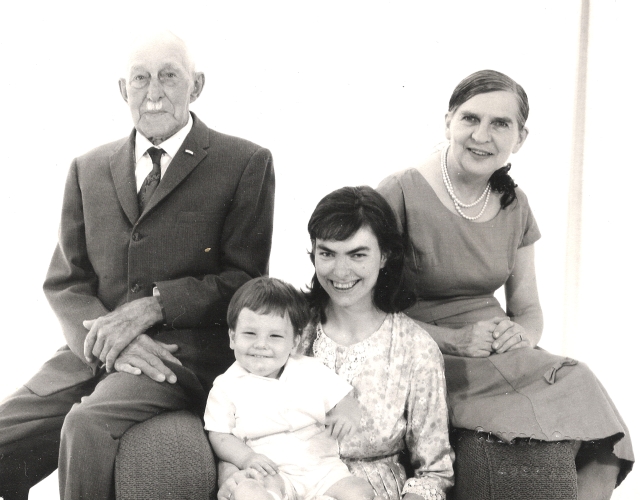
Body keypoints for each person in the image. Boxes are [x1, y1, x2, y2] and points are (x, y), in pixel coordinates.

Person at [0, 31, 275, 500]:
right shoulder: (87, 168)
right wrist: (107, 341)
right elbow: (66, 282)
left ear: (197, 86)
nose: (153, 92)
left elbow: (245, 282)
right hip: (93, 351)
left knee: (85, 425)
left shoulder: (245, 162)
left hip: (178, 356)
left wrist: (155, 306)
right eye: (140, 79)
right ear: (123, 91)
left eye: (169, 76)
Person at [377, 69, 634, 500]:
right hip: (427, 352)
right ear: (448, 123)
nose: (482, 135)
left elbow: (528, 308)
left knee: (593, 408)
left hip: (499, 352)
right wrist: (454, 340)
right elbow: (365, 310)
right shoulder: (399, 192)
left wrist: (523, 335)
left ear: (521, 136)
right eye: (470, 119)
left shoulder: (516, 202)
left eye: (500, 124)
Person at [205, 277, 375, 500]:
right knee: (248, 492)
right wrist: (247, 459)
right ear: (232, 337)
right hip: (271, 470)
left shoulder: (310, 370)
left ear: (294, 342)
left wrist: (346, 415)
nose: (261, 345)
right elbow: (219, 435)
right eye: (250, 334)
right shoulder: (226, 386)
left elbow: (345, 397)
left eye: (275, 336)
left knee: (359, 491)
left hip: (322, 469)